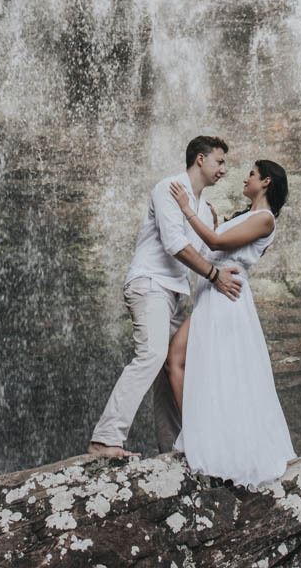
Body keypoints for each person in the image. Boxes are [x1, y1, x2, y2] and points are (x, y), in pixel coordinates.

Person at [88, 136, 243, 459]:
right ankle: (105, 439)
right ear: (200, 159)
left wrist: (211, 229)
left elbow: (201, 254)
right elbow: (175, 245)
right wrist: (215, 277)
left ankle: (173, 448)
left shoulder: (200, 207)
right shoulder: (169, 188)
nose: (224, 170)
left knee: (170, 366)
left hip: (174, 293)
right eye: (220, 161)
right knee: (152, 355)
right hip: (150, 284)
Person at [165, 159, 296, 488]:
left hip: (227, 299)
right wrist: (208, 219)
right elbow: (212, 248)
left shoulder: (264, 220)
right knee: (175, 361)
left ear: (266, 182)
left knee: (217, 369)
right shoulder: (245, 217)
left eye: (251, 174)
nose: (244, 178)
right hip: (213, 293)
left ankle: (209, 441)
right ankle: (200, 434)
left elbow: (217, 244)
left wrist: (187, 208)